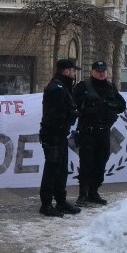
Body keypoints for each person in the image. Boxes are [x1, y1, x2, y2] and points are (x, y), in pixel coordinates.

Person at [73, 60, 127, 207]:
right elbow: (73, 104)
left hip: (104, 132)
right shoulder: (83, 86)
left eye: (104, 70)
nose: (102, 72)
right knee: (86, 163)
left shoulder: (111, 87)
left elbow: (122, 105)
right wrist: (85, 106)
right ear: (92, 72)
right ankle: (83, 194)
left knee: (100, 162)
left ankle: (94, 192)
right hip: (88, 131)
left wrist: (111, 105)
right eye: (98, 70)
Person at [38, 59, 82, 217]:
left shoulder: (63, 86)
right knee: (52, 170)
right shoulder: (57, 87)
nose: (75, 73)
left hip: (59, 134)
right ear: (67, 71)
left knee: (61, 170)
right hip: (53, 134)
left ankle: (61, 202)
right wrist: (71, 114)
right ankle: (46, 204)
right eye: (73, 70)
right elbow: (55, 114)